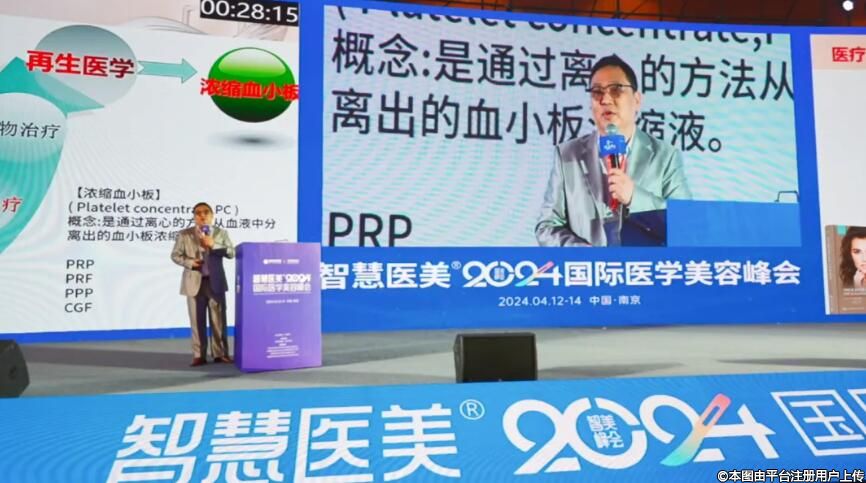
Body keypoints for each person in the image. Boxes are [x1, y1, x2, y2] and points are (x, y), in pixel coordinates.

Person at [536, 54, 692, 246]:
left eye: (616, 90)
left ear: (637, 100)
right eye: (597, 92)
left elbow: (686, 226)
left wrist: (634, 197)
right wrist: (583, 254)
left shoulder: (665, 156)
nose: (606, 99)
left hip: (643, 265)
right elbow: (547, 226)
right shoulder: (568, 155)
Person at [171, 202, 235, 366]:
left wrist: (214, 245)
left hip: (215, 282)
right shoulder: (184, 234)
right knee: (196, 321)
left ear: (212, 215)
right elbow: (175, 255)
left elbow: (231, 252)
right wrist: (190, 263)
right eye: (198, 213)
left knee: (218, 320)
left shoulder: (221, 233)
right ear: (194, 217)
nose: (202, 215)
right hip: (194, 282)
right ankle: (199, 355)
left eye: (206, 212)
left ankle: (220, 353)